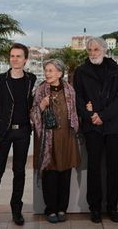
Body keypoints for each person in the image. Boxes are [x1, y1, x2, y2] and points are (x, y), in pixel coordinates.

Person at [0, 43, 37, 228]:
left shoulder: (31, 79)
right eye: (12, 56)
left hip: (23, 132)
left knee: (19, 172)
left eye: (18, 56)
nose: (14, 59)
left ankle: (17, 211)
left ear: (25, 59)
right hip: (2, 133)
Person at [73, 37, 118, 223]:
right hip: (92, 127)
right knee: (94, 168)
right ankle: (94, 208)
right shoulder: (81, 71)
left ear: (104, 50)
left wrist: (102, 115)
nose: (92, 53)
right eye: (89, 50)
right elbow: (77, 99)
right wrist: (90, 116)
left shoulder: (116, 70)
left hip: (113, 126)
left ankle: (113, 207)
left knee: (113, 169)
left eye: (96, 49)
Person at [30, 59, 80, 223]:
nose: (47, 74)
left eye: (51, 70)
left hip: (66, 137)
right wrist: (42, 106)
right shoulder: (40, 90)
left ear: (60, 73)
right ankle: (50, 209)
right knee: (50, 174)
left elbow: (74, 114)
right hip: (46, 139)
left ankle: (61, 208)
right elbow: (32, 116)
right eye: (46, 70)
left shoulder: (70, 90)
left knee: (65, 174)